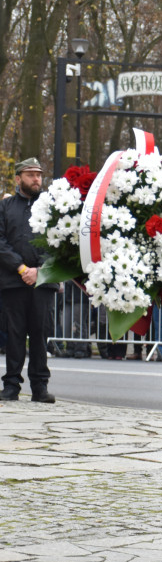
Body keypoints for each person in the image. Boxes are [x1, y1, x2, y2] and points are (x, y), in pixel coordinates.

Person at [0, 158, 58, 403]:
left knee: (39, 333)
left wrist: (39, 270)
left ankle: (39, 387)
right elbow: (1, 242)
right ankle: (11, 385)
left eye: (39, 174)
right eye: (30, 174)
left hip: (43, 281)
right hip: (13, 282)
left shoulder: (51, 208)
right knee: (13, 334)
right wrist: (22, 268)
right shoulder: (5, 207)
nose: (36, 179)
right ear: (18, 179)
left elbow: (60, 243)